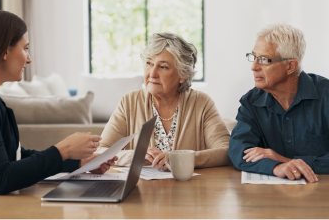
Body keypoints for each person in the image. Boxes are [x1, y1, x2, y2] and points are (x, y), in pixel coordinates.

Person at [0, 10, 117, 220]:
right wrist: (62, 150)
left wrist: (79, 163)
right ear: (4, 51)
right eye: (25, 48)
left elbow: (15, 156)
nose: (28, 59)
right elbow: (0, 178)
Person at [228, 23, 329, 182]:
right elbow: (239, 151)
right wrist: (276, 166)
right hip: (272, 198)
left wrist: (285, 160)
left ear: (290, 66)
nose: (253, 66)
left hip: (327, 196)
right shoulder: (251, 102)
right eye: (253, 57)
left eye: (264, 59)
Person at [97, 32, 231, 170]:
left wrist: (182, 159)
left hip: (189, 188)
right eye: (149, 63)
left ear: (182, 75)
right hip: (142, 189)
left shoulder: (202, 103)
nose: (152, 73)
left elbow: (226, 151)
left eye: (163, 67)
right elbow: (100, 151)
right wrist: (136, 155)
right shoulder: (129, 102)